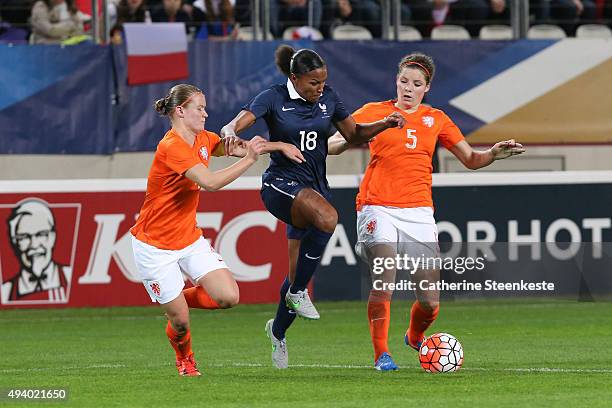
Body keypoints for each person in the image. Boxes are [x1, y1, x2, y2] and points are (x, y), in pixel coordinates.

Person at [327, 52, 525, 371]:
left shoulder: (437, 119)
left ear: (426, 87)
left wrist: (493, 153)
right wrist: (332, 144)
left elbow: (471, 160)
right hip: (377, 205)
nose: (408, 88)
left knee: (430, 302)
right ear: (396, 81)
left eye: (416, 83)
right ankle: (382, 355)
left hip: (419, 211)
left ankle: (414, 334)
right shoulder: (374, 112)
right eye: (403, 81)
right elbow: (338, 141)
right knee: (384, 278)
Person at [220, 44, 405, 369]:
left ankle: (277, 330)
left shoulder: (329, 99)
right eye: (313, 83)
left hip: (313, 189)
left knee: (296, 272)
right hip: (280, 184)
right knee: (328, 217)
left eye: (322, 82)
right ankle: (298, 291)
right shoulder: (273, 97)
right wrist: (231, 133)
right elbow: (235, 125)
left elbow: (354, 133)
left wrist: (385, 125)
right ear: (295, 78)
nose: (319, 89)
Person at [130, 84, 266, 377]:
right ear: (180, 111)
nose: (206, 113)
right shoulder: (172, 146)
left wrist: (278, 146)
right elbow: (210, 183)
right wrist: (249, 159)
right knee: (180, 323)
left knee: (228, 297)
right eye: (200, 108)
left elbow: (240, 145)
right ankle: (185, 358)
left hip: (188, 239)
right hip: (154, 246)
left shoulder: (204, 138)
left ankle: (175, 300)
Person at [2, 199, 71, 304]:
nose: (34, 245)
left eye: (41, 234)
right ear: (15, 242)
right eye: (24, 237)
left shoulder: (70, 277)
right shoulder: (5, 291)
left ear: (53, 237)